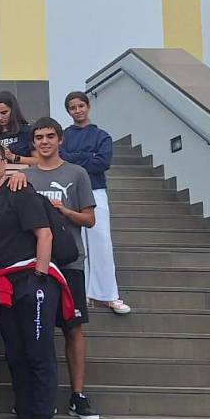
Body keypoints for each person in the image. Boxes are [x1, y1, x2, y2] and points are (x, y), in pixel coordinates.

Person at [0, 142, 72, 419]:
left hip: (32, 281)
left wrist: (39, 277)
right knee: (16, 354)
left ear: (6, 163)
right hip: (4, 285)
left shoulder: (21, 191)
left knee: (39, 353)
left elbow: (45, 235)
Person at [25, 117, 102, 419]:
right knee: (37, 332)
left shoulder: (77, 173)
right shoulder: (26, 177)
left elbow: (89, 220)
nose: (44, 142)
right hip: (35, 263)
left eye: (50, 136)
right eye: (39, 137)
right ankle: (40, 395)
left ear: (60, 140)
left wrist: (64, 211)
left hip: (69, 261)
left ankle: (78, 394)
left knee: (73, 328)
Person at [61, 91, 131, 315]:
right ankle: (82, 292)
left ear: (88, 106)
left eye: (81, 106)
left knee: (101, 241)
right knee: (75, 242)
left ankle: (108, 295)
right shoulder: (64, 135)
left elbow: (102, 162)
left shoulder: (102, 135)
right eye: (73, 107)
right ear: (68, 111)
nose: (78, 110)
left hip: (96, 190)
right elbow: (63, 158)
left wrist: (76, 157)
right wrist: (86, 156)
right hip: (71, 192)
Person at [0, 91, 37, 167]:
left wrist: (14, 157)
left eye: (4, 113)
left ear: (13, 111)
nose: (0, 117)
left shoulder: (28, 132)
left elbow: (41, 161)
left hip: (23, 176)